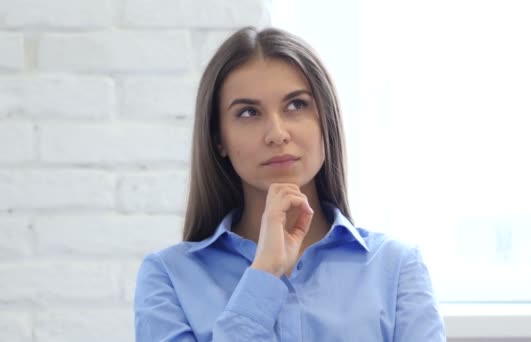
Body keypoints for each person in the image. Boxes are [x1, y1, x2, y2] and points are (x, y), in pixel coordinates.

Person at [134, 26, 446, 341]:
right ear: (218, 139)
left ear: (326, 120)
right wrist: (264, 273)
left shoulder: (396, 268)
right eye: (248, 112)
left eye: (296, 105)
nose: (277, 133)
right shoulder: (168, 278)